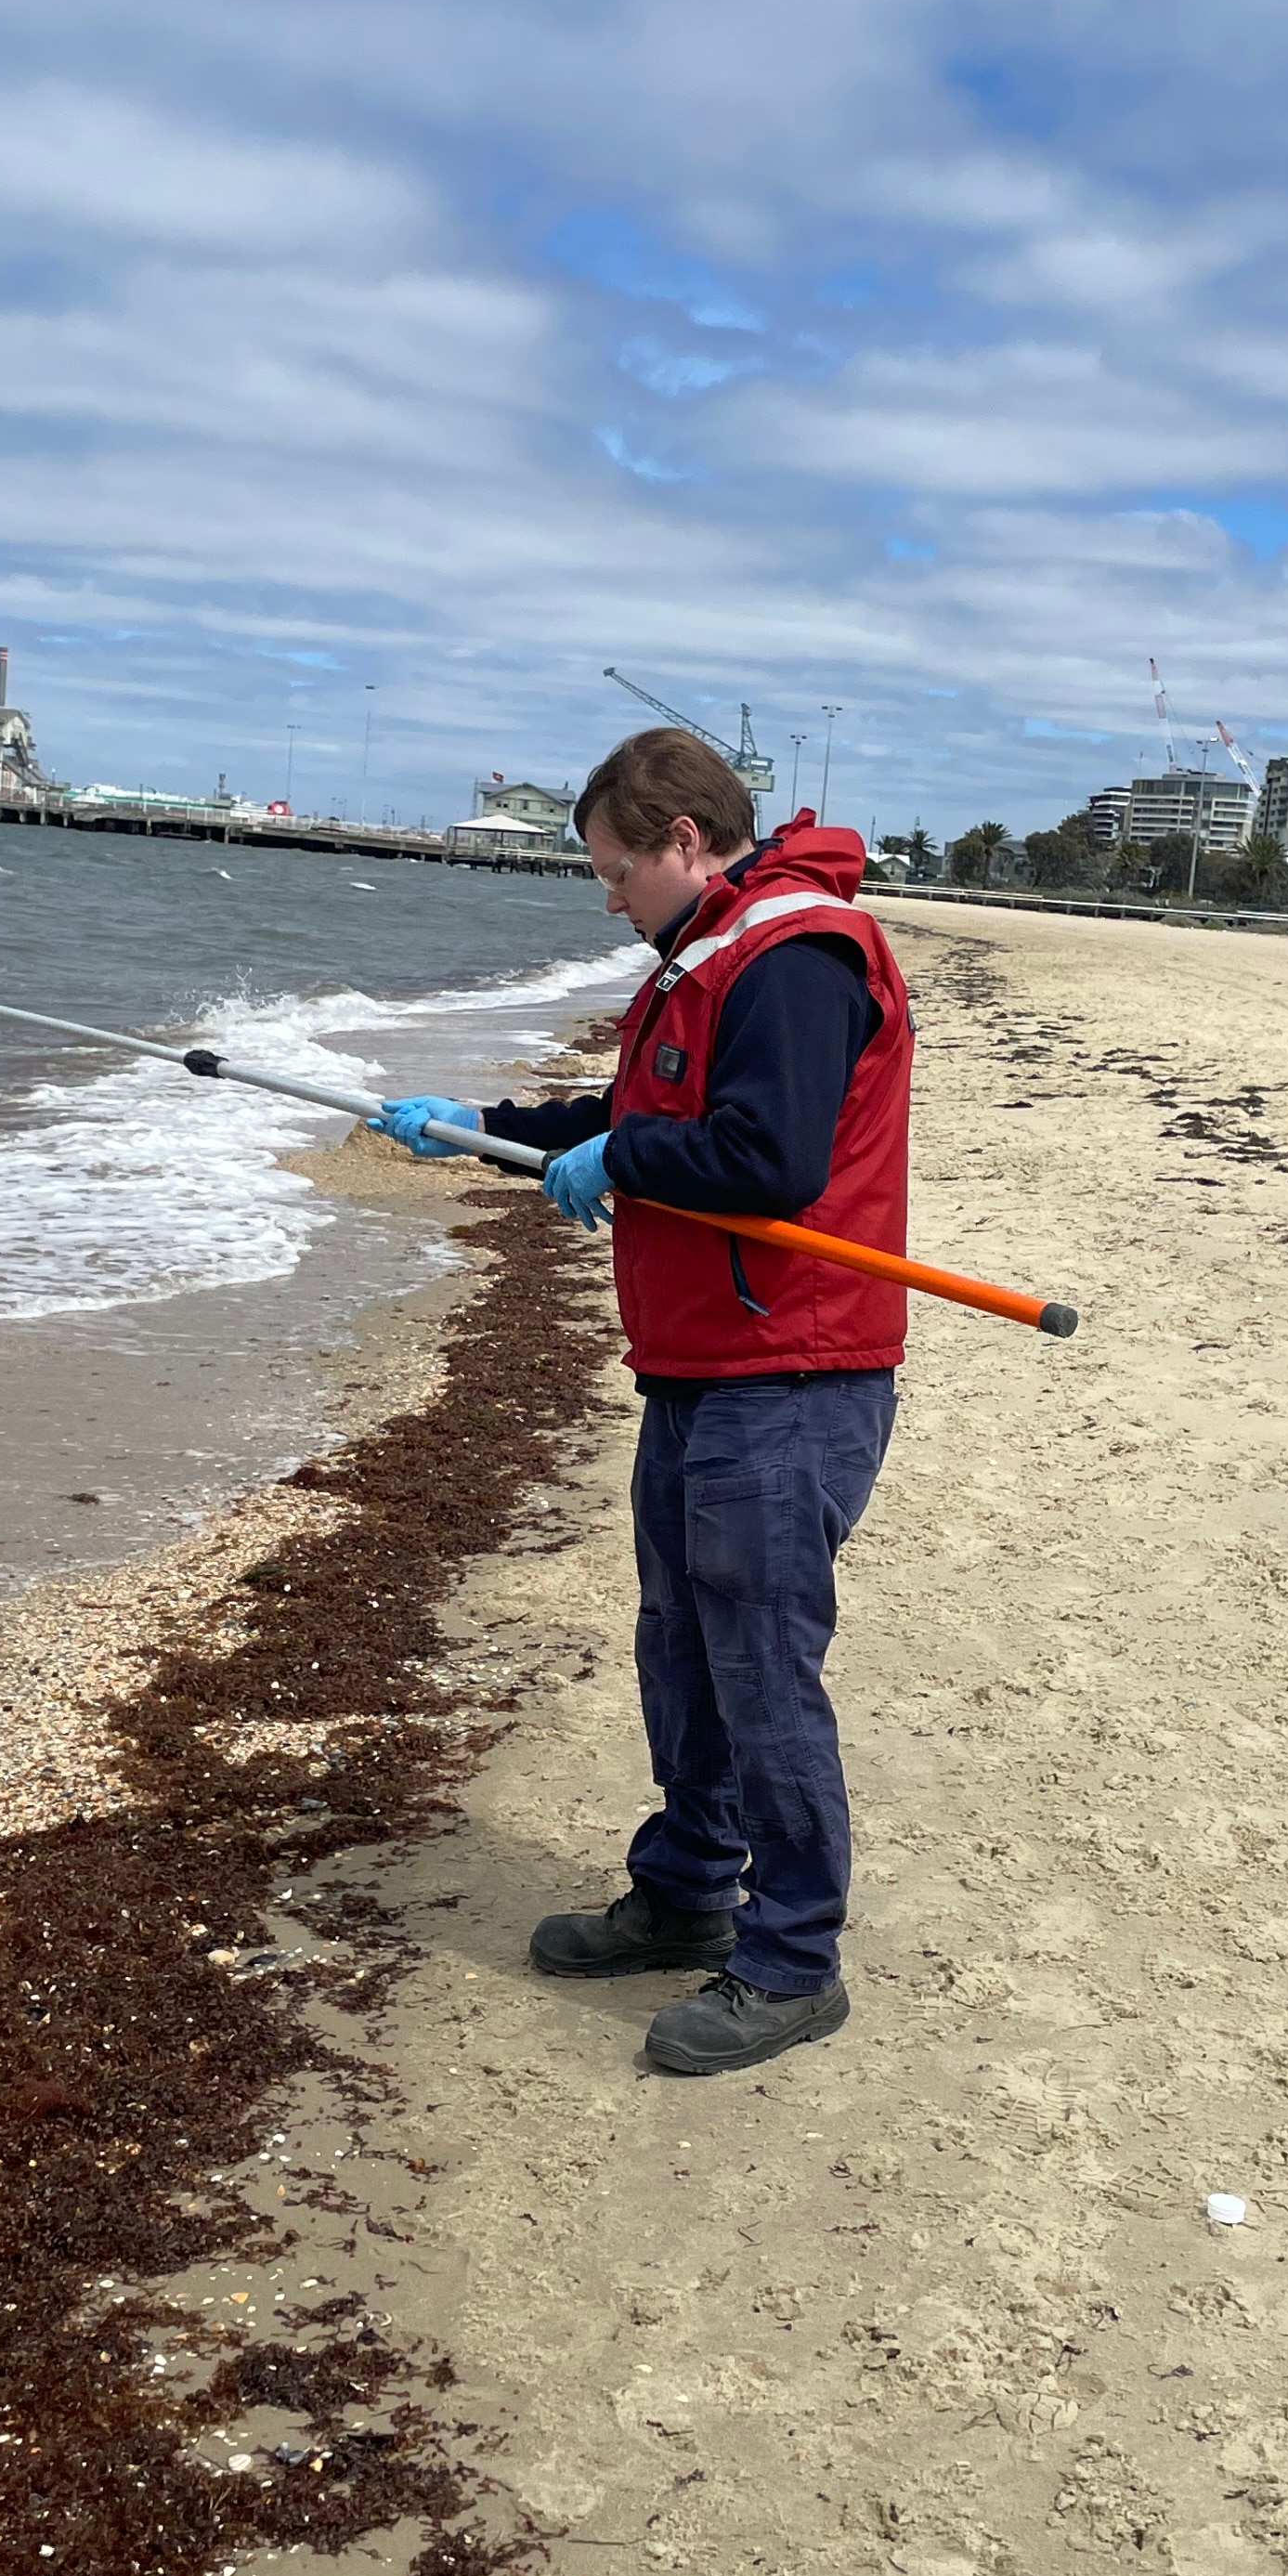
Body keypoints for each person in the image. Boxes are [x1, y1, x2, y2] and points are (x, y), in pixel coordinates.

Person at [372, 725, 912, 2077]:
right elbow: (633, 1110)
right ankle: (686, 1891)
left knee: (760, 1666)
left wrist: (629, 1150)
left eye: (616, 871)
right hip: (698, 1368)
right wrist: (483, 1127)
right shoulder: (708, 955)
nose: (607, 898)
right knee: (683, 1643)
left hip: (788, 1374)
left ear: (683, 841)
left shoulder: (795, 954)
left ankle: (793, 1963)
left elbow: (764, 1157)